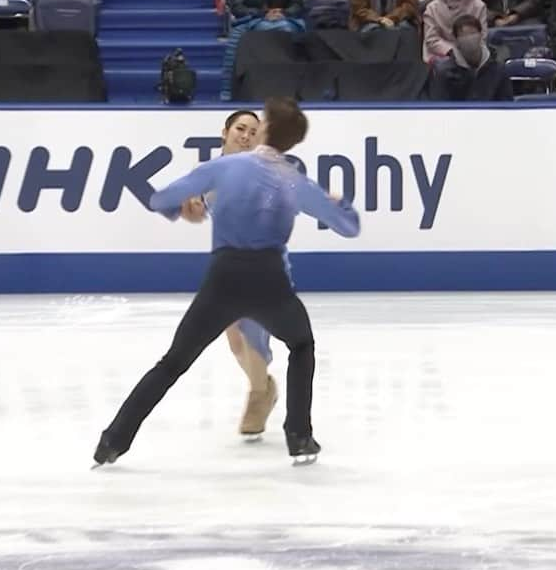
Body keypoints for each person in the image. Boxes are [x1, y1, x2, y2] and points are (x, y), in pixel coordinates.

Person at [93, 97, 361, 467]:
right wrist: (339, 201)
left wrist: (179, 208)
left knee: (172, 363)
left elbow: (160, 199)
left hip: (224, 280)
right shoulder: (295, 182)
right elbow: (349, 227)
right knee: (301, 345)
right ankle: (299, 436)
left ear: (265, 130)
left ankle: (113, 441)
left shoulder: (224, 167)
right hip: (271, 282)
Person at [181, 110, 280, 437]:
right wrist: (192, 208)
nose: (246, 135)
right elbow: (195, 210)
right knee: (235, 340)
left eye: (253, 131)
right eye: (240, 128)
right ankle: (263, 386)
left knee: (247, 332)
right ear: (225, 132)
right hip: (228, 262)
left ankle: (257, 396)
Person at [429, 13, 514, 100]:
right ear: (456, 40)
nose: (469, 38)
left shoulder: (498, 69)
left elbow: (506, 105)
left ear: (481, 35)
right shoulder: (444, 72)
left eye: (472, 33)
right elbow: (440, 107)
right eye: (463, 35)